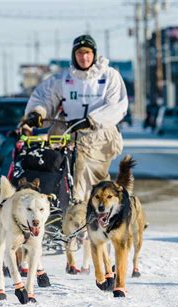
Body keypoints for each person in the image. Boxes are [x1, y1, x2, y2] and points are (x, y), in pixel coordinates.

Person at [24, 34, 128, 203]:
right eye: (79, 53)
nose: (84, 57)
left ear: (94, 54)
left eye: (87, 52)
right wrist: (38, 113)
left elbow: (117, 106)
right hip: (67, 132)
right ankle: (58, 212)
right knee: (54, 170)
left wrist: (91, 120)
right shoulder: (64, 79)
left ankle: (87, 217)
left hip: (98, 136)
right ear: (74, 55)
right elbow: (44, 98)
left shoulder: (109, 76)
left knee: (87, 178)